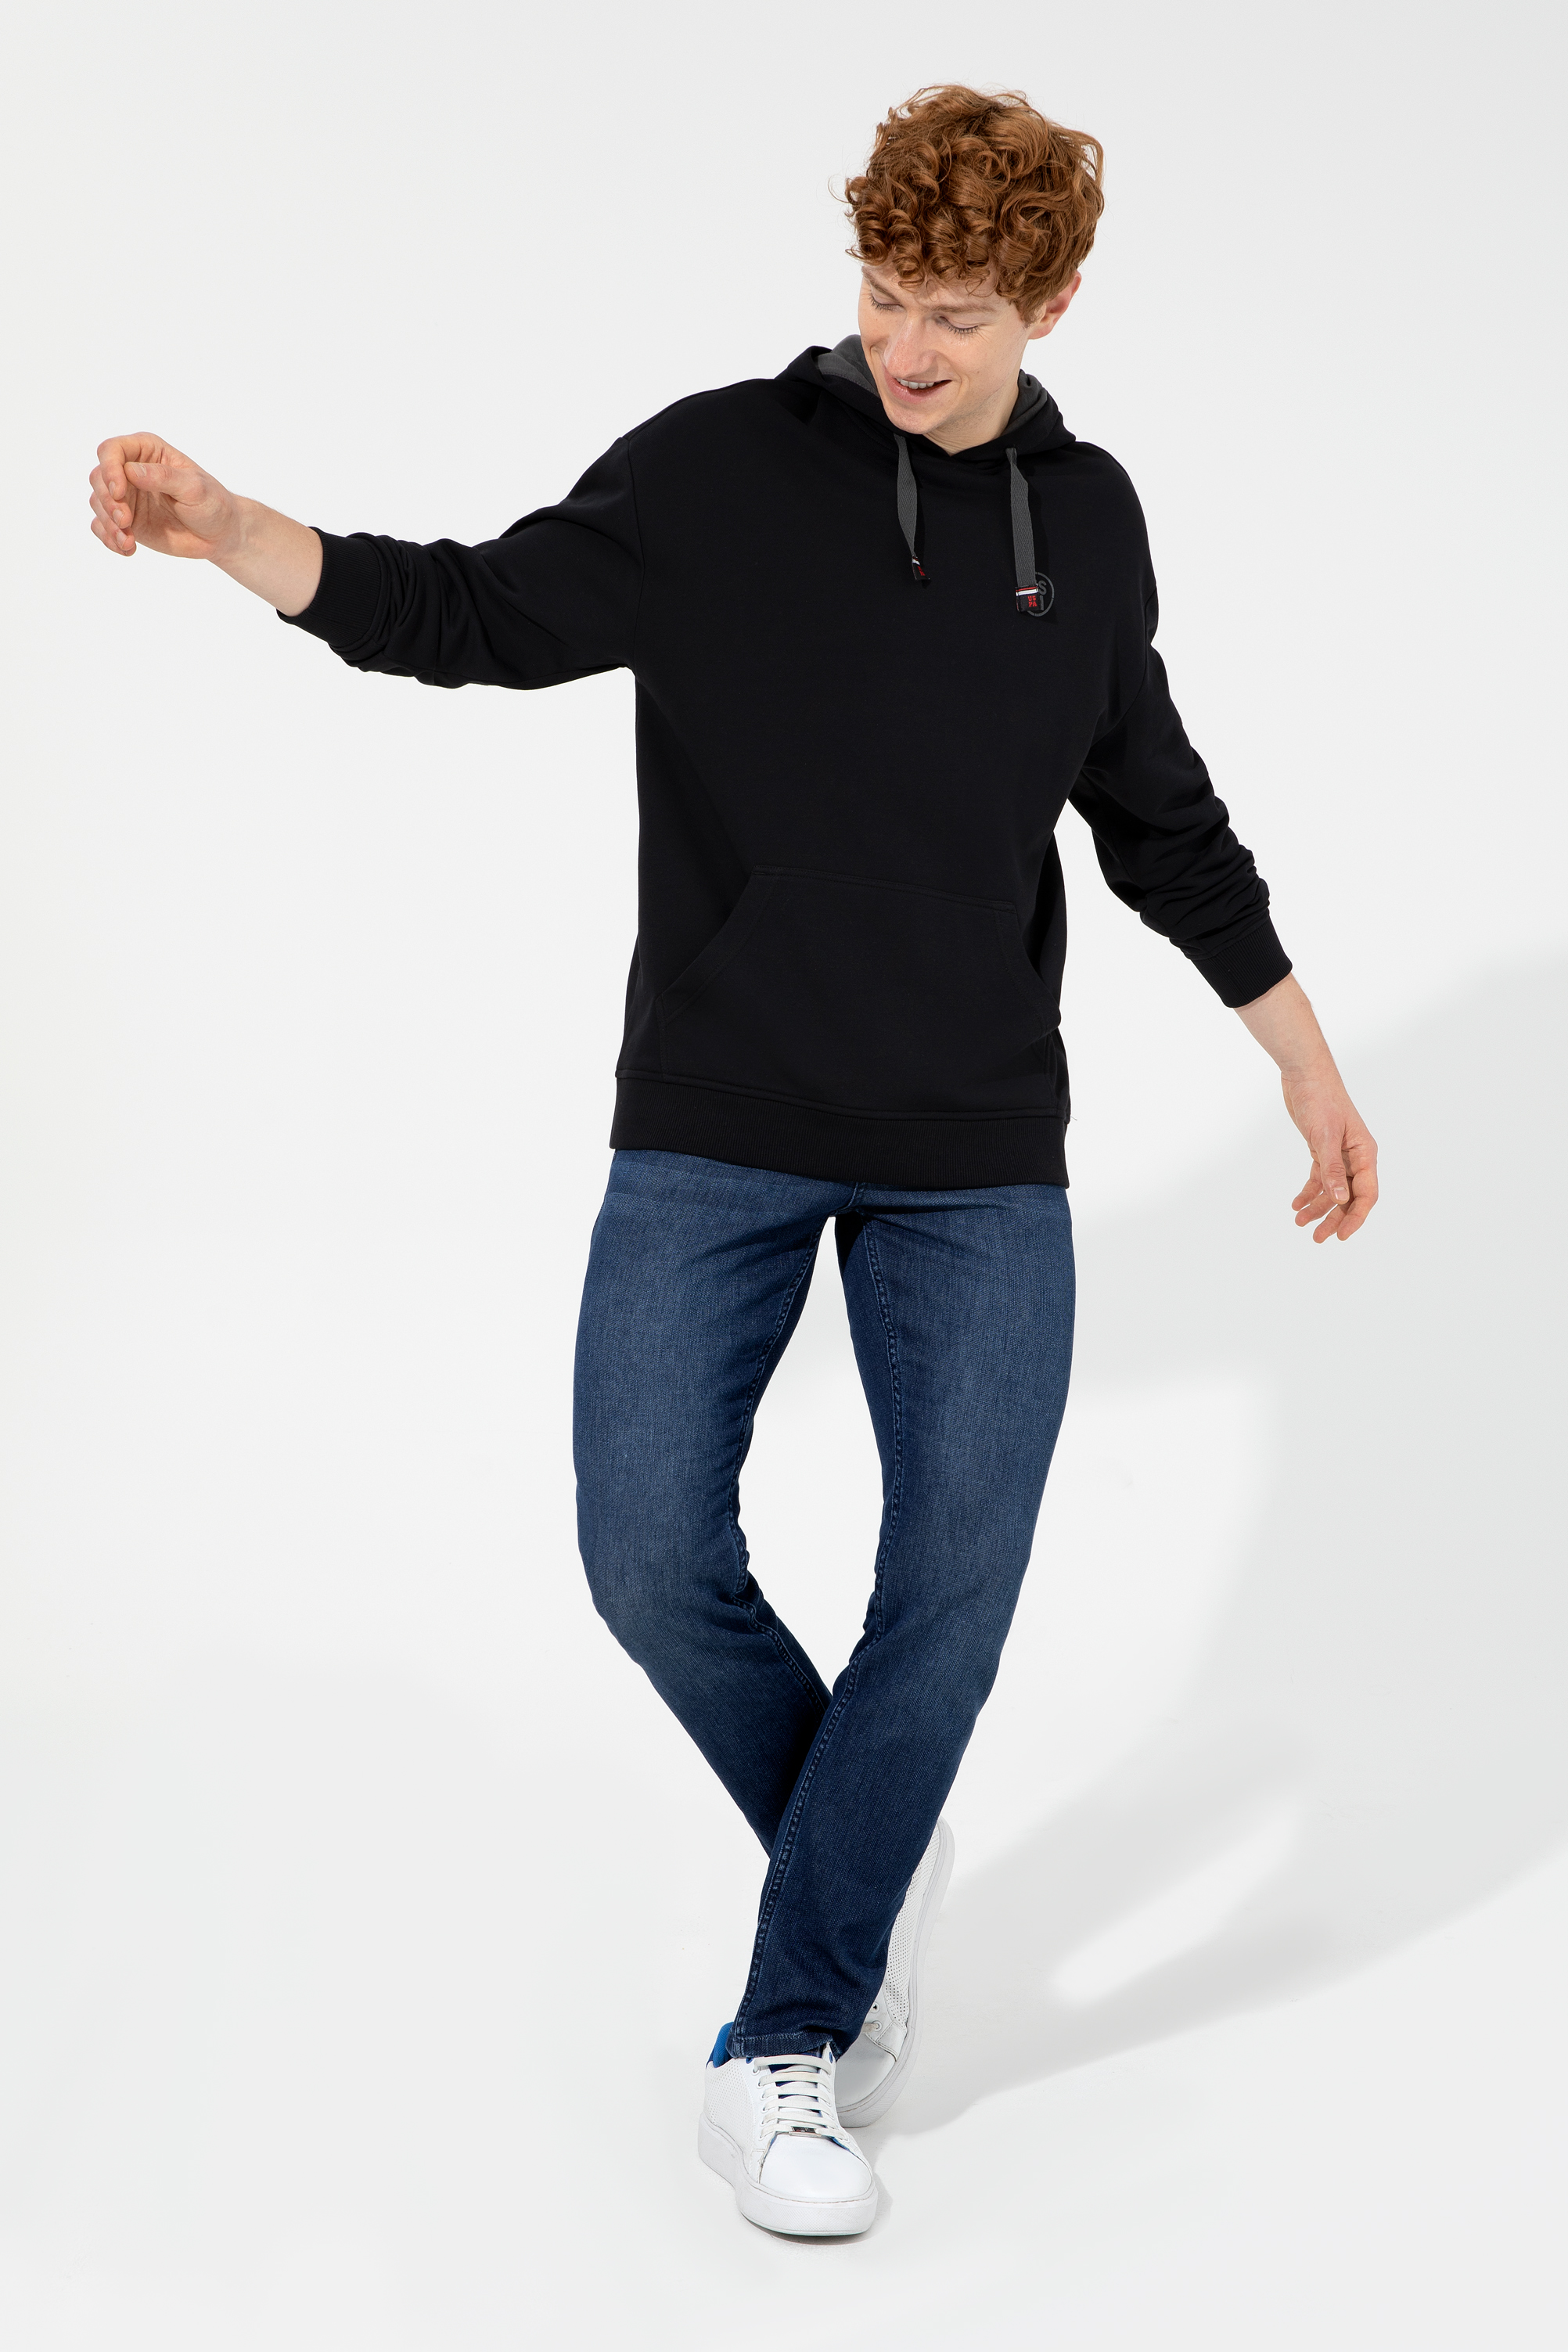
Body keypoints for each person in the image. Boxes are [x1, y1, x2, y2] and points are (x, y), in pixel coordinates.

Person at [87, 84, 1378, 2238]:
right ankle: (859, 1868)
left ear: (1052, 308)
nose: (906, 347)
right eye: (882, 295)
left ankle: (783, 2039)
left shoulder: (1089, 523)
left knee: (950, 1592)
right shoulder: (717, 472)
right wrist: (234, 531)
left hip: (977, 1149)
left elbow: (1155, 808)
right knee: (643, 1553)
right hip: (718, 1118)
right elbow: (468, 613)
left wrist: (1305, 1066)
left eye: (956, 314)